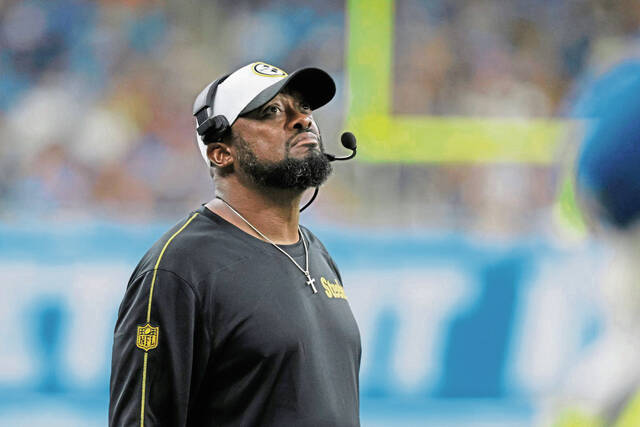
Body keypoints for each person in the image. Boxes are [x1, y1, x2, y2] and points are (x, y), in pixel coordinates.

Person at [109, 61, 361, 427]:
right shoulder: (180, 267)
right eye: (271, 111)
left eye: (304, 108)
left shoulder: (316, 253)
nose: (303, 120)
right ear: (221, 152)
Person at [552, 61, 640, 427]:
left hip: (619, 225)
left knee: (624, 349)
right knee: (626, 353)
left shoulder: (622, 79)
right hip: (626, 222)